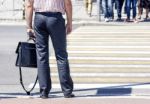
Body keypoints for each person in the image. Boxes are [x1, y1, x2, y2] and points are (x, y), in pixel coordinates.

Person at [25, 0, 74, 99]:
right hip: (55, 18)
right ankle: (67, 90)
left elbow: (29, 4)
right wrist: (69, 22)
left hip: (39, 18)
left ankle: (44, 91)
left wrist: (29, 26)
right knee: (61, 55)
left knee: (41, 56)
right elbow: (67, 3)